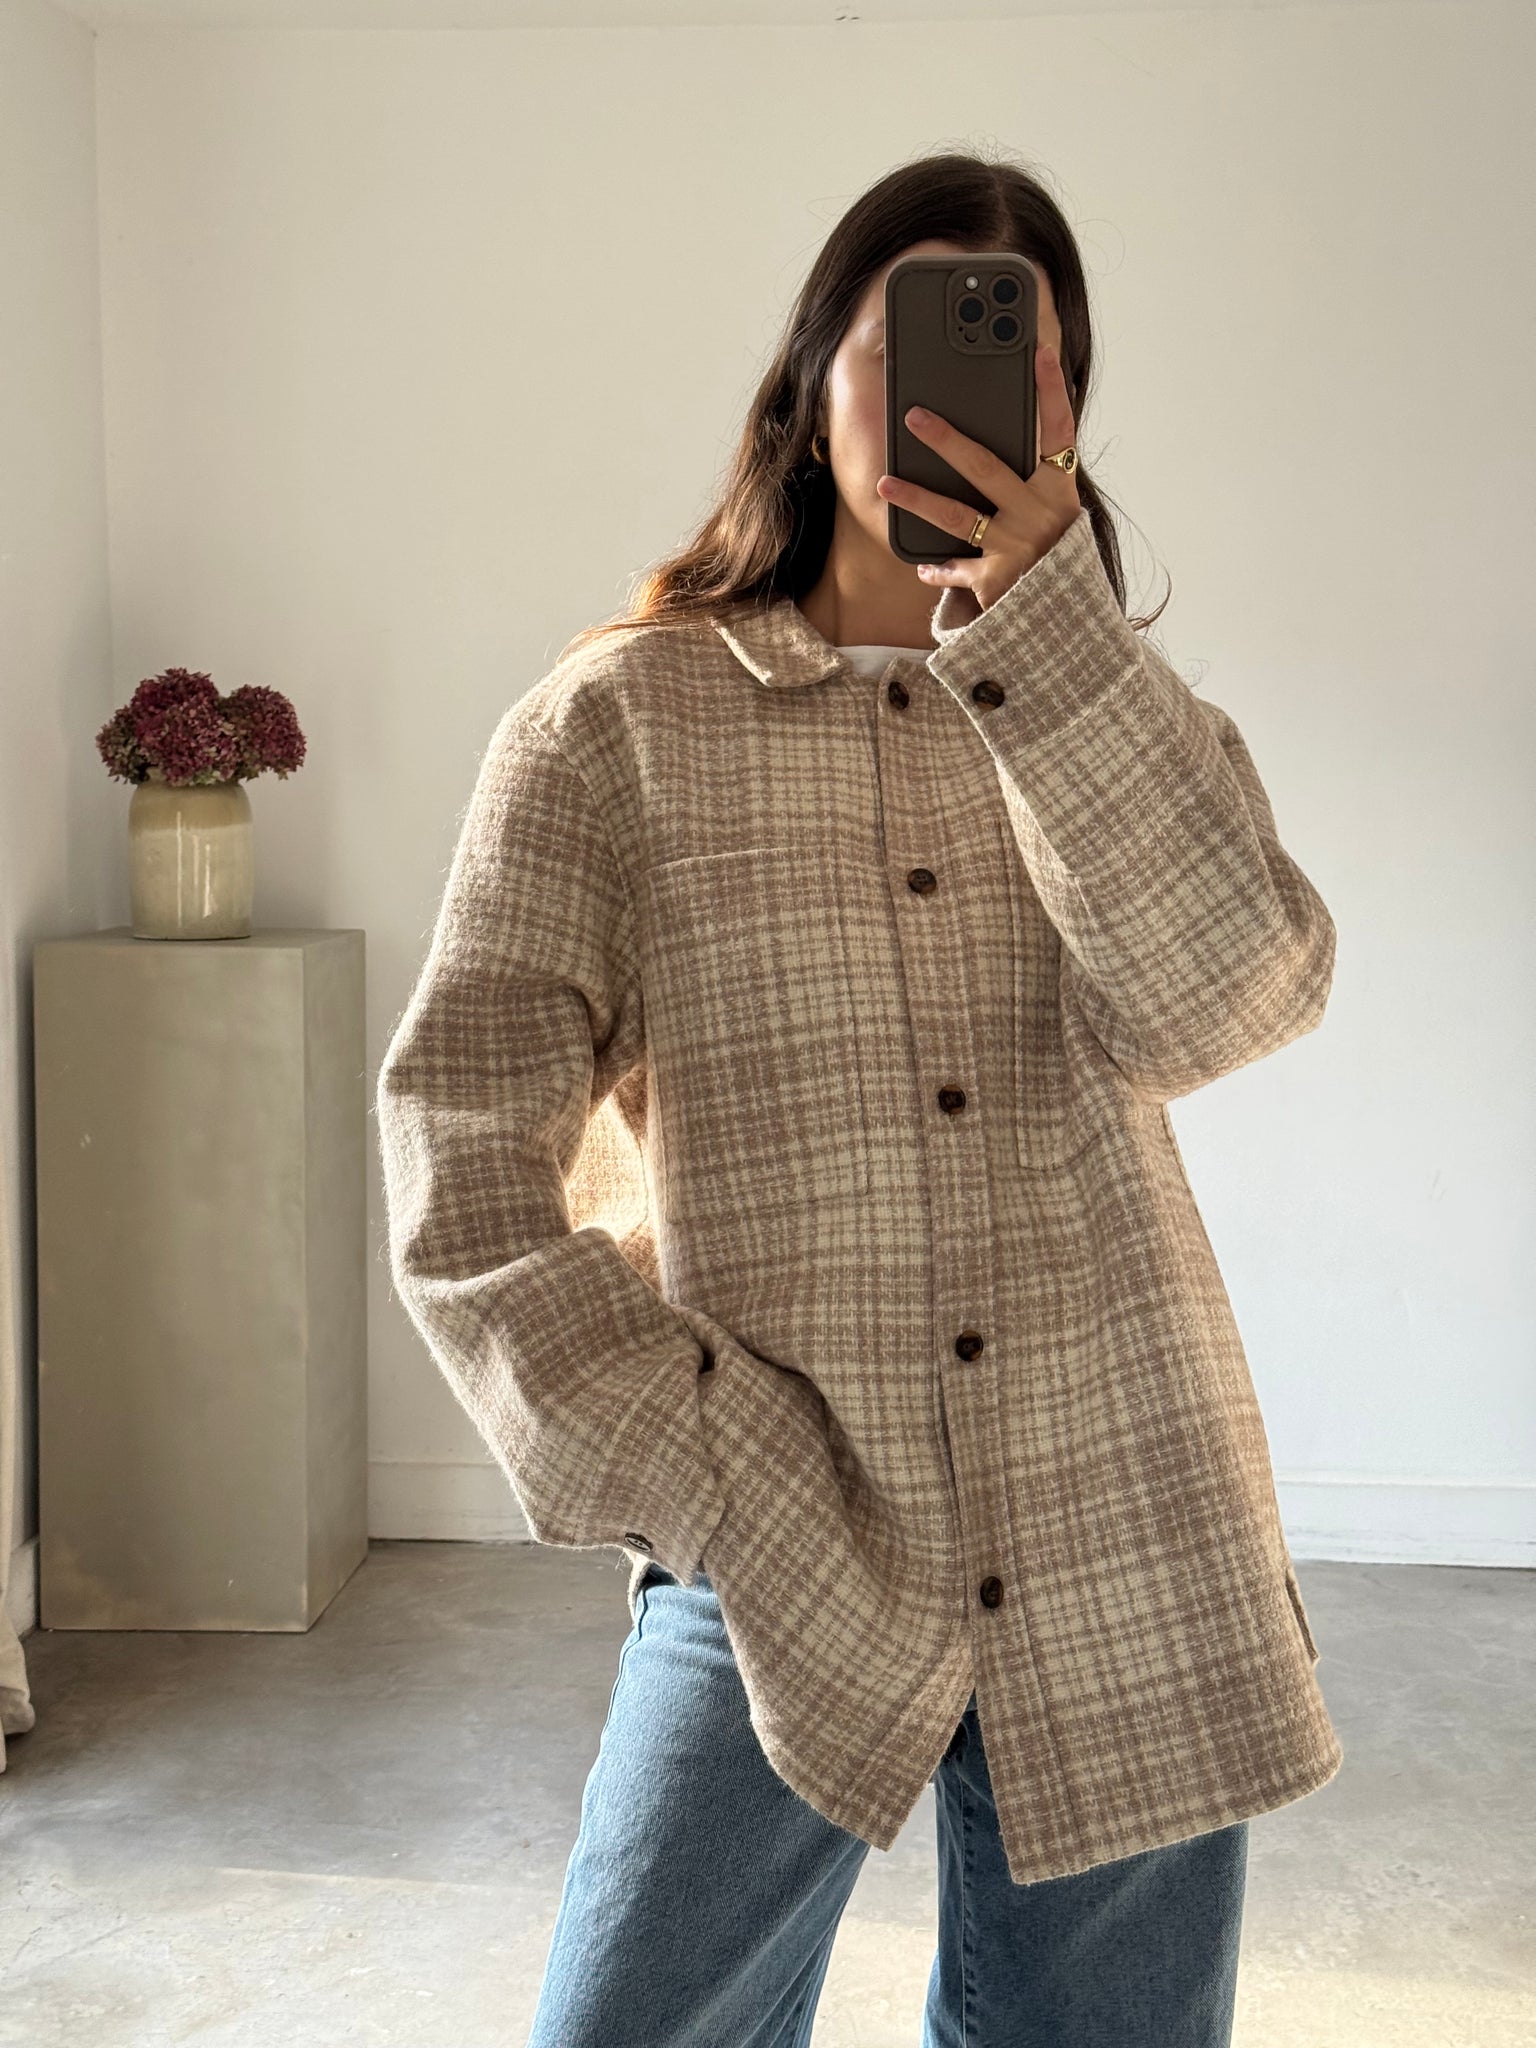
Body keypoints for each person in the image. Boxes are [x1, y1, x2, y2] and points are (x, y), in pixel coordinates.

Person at [376, 150, 1339, 2047]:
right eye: (911, 342)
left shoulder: (1129, 727)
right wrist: (695, 1466)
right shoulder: (615, 727)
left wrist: (1047, 641)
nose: (960, 396)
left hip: (1126, 1514)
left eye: (1021, 361)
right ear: (812, 379)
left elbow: (1228, 1003)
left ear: (1067, 415)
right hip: (781, 1531)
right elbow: (462, 1169)